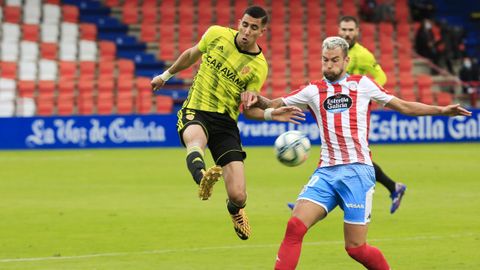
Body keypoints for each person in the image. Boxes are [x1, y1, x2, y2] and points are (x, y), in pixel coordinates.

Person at [249, 36, 470, 269]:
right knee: (294, 227)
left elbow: (403, 105)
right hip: (326, 172)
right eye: (325, 60)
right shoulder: (312, 90)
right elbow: (273, 103)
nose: (329, 65)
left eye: (335, 60)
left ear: (346, 60)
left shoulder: (363, 84)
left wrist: (442, 110)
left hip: (358, 173)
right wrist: (253, 97)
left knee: (355, 248)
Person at [150, 6, 304, 241]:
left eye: (254, 27)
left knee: (239, 195)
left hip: (225, 123)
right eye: (244, 24)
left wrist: (270, 114)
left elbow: (249, 110)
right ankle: (202, 176)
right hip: (196, 108)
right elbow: (192, 54)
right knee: (195, 139)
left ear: (262, 31)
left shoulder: (258, 66)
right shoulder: (216, 34)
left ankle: (235, 210)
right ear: (239, 22)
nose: (246, 31)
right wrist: (165, 76)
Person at [290, 16, 407, 214]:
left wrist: (366, 94)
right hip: (334, 104)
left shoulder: (364, 55)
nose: (347, 33)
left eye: (351, 30)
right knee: (336, 151)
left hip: (354, 107)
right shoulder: (334, 50)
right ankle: (312, 197)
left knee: (351, 154)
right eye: (344, 29)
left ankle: (316, 199)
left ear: (357, 31)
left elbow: (381, 77)